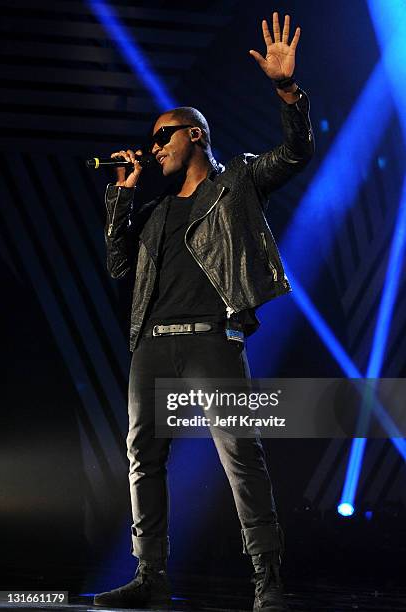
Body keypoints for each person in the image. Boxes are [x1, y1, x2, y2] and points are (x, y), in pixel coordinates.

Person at [94, 11, 314, 612]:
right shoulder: (157, 214)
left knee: (240, 452)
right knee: (145, 457)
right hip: (152, 344)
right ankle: (151, 576)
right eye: (153, 137)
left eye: (164, 134)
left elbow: (296, 154)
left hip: (212, 340)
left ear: (196, 134)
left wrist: (286, 89)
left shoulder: (236, 182)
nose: (154, 145)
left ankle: (267, 579)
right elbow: (119, 268)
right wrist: (122, 196)